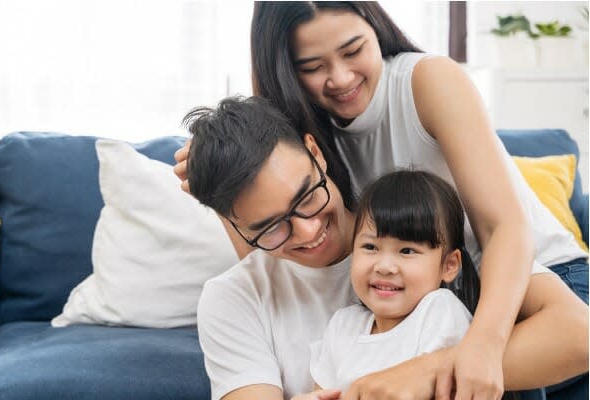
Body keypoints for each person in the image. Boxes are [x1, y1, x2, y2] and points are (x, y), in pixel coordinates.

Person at [174, 2, 589, 399]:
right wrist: (220, 180)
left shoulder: (425, 84)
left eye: (353, 50)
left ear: (374, 25)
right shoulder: (311, 134)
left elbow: (505, 229)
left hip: (537, 281)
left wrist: (469, 350)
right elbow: (266, 259)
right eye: (312, 67)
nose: (339, 79)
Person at [309, 170, 478, 392]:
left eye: (407, 251)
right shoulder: (343, 325)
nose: (384, 267)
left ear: (449, 265)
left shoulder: (439, 311)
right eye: (370, 247)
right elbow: (320, 392)